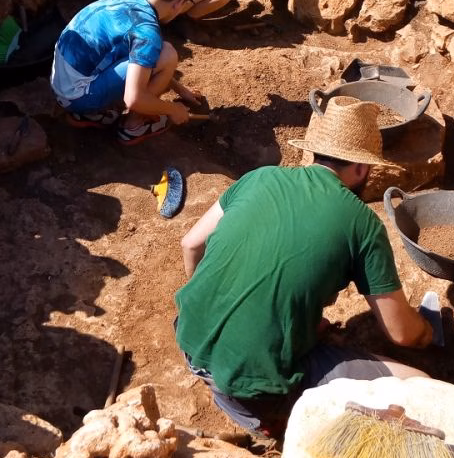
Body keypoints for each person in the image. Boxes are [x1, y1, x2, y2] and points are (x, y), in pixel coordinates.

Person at [174, 97, 434, 438]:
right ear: (361, 167)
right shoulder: (362, 223)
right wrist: (426, 333)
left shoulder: (258, 178)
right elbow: (402, 333)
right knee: (421, 387)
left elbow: (191, 243)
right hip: (252, 387)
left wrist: (216, 306)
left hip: (188, 339)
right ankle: (271, 420)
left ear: (314, 153)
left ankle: (241, 388)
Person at [50, 0, 204, 146]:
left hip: (62, 84)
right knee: (167, 53)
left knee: (150, 56)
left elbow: (141, 61)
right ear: (179, 4)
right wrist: (173, 109)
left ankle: (89, 113)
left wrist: (179, 89)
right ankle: (133, 126)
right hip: (77, 95)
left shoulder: (127, 1)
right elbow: (133, 99)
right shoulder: (147, 33)